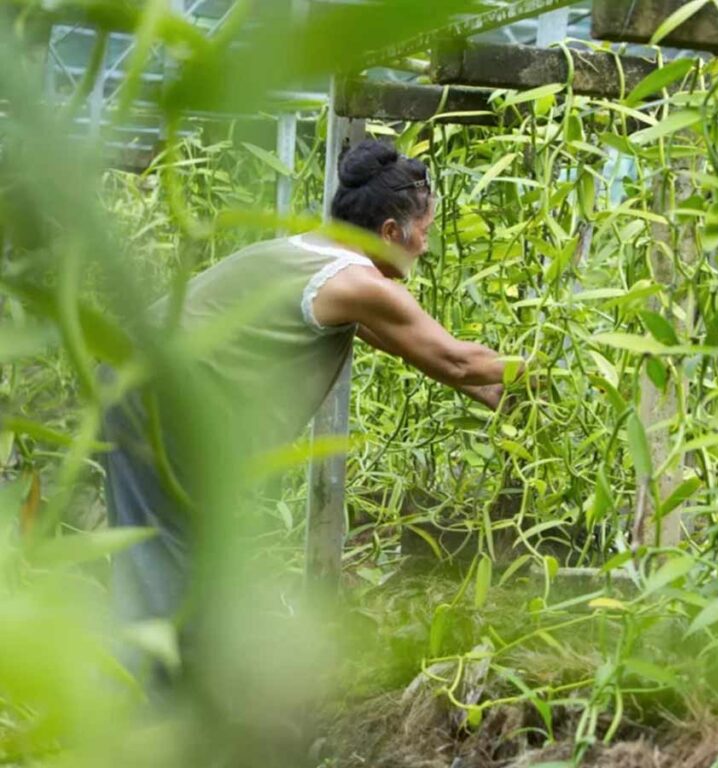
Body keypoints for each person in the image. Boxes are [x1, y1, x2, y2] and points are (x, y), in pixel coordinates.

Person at [100, 139, 521, 655]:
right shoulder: (354, 282)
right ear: (392, 232)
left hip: (134, 382)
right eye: (425, 233)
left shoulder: (313, 251)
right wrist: (546, 376)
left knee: (168, 557)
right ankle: (156, 707)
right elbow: (457, 358)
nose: (425, 248)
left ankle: (169, 695)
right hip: (161, 403)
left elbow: (419, 353)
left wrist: (495, 394)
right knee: (173, 564)